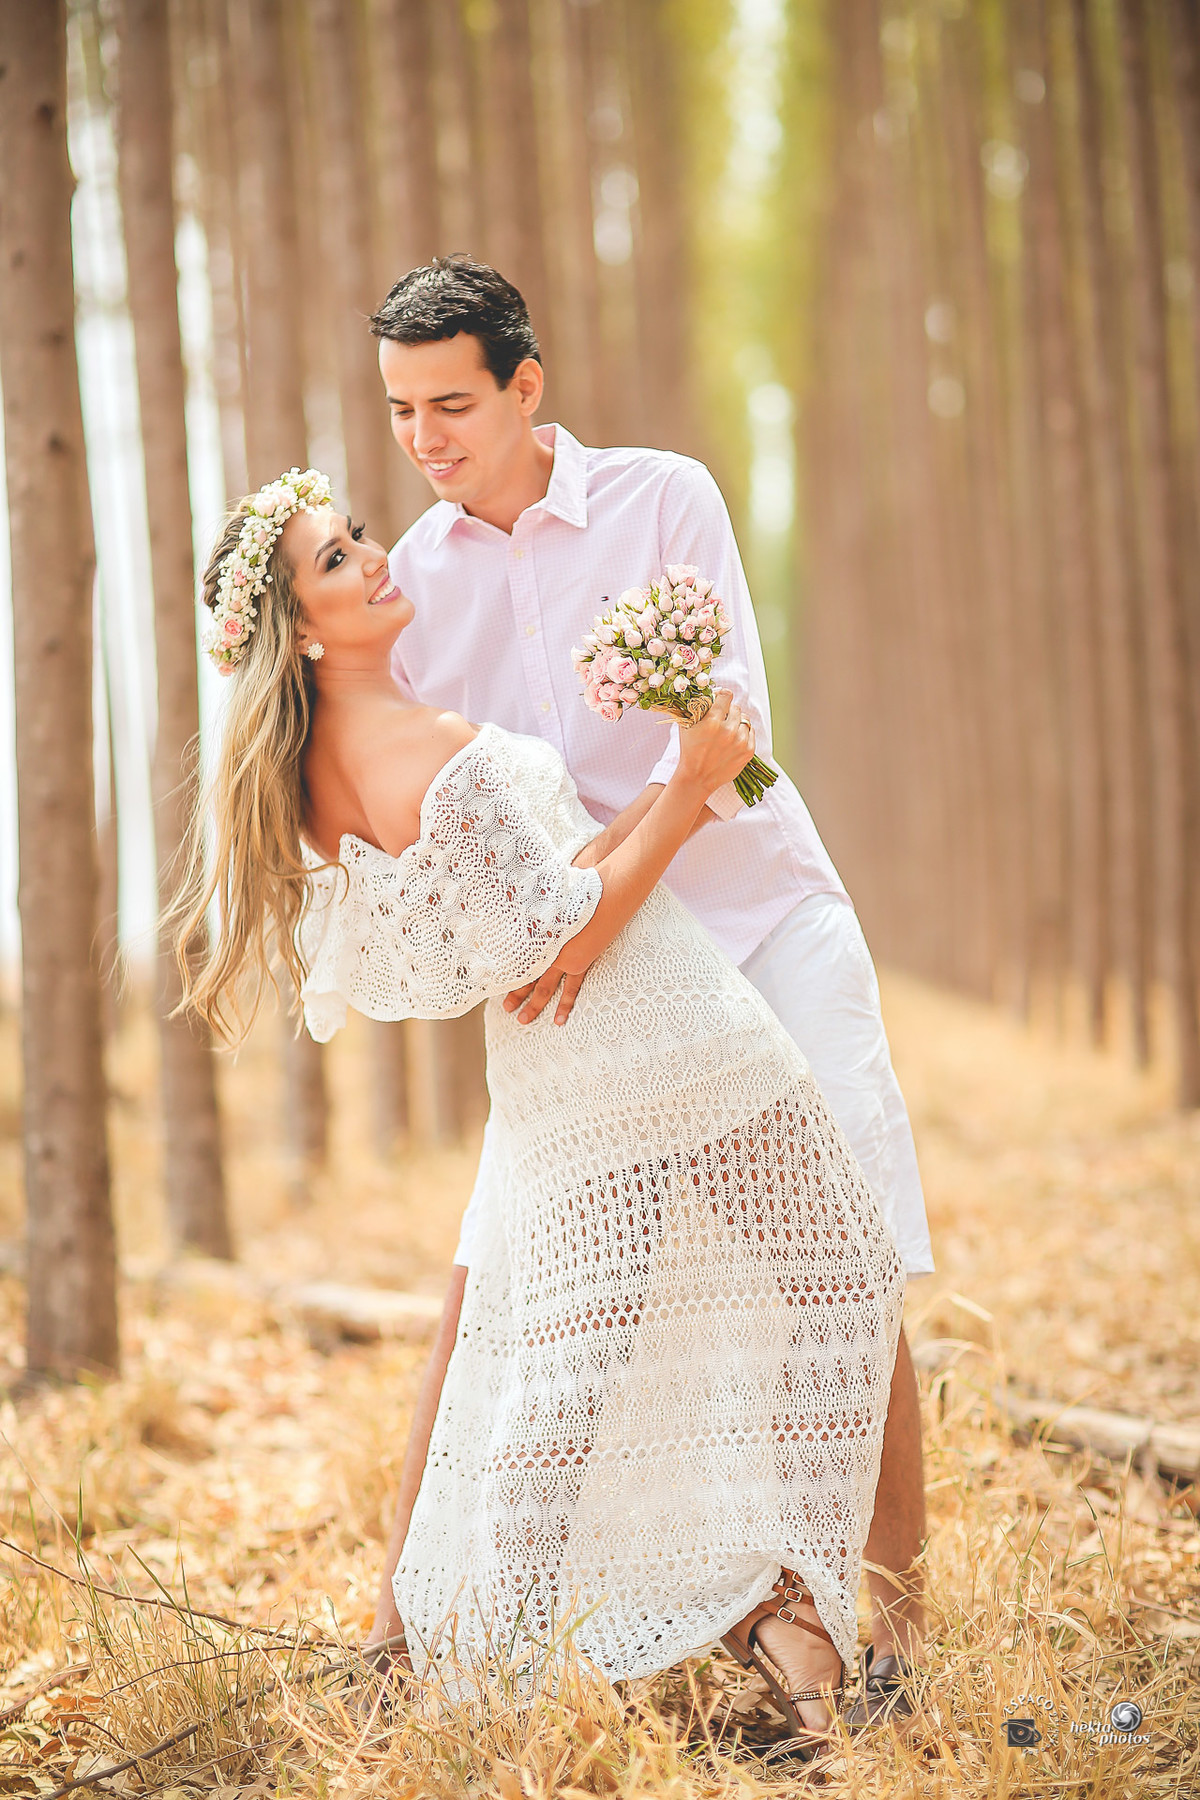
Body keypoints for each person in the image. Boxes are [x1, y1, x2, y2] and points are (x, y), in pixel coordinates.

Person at [177, 466, 905, 1756]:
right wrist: (693, 784)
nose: (373, 557)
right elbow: (566, 939)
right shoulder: (420, 749)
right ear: (297, 627)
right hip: (662, 1037)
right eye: (338, 562)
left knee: (565, 1359)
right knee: (838, 1271)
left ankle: (685, 1616)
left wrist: (675, 776)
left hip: (563, 1078)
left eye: (355, 534)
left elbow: (536, 899)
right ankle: (742, 1601)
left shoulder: (326, 771)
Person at [365, 258, 935, 1729]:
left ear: (525, 387)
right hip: (586, 977)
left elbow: (727, 743)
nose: (426, 440)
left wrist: (589, 894)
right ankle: (396, 1631)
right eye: (401, 412)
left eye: (452, 404)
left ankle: (895, 1639)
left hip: (755, 914)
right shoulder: (414, 586)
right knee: (491, 1267)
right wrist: (562, 922)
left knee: (849, 1256)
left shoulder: (663, 498)